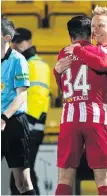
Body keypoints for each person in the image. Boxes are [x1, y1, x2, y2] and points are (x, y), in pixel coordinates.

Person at [53, 15, 107, 195]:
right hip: (97, 119)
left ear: (69, 35)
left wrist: (56, 73)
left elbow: (65, 87)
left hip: (69, 119)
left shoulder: (62, 53)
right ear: (91, 33)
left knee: (65, 178)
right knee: (105, 179)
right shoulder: (100, 52)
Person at [10, 28, 51, 195]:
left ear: (29, 42)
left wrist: (27, 124)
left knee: (22, 174)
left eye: (19, 42)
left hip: (30, 127)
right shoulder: (20, 64)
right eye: (14, 42)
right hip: (23, 126)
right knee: (22, 173)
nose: (16, 45)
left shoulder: (36, 64)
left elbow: (39, 97)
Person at [1, 17, 36, 195]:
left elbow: (21, 95)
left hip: (13, 123)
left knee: (21, 182)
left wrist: (4, 117)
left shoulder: (18, 60)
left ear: (7, 38)